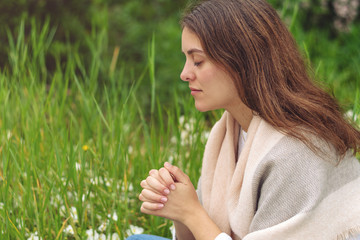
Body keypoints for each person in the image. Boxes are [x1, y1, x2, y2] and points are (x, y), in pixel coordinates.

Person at [127, 0, 360, 239]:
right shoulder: (228, 133)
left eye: (197, 61)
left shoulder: (295, 150)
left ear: (241, 61)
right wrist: (178, 203)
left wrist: (191, 212)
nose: (185, 74)